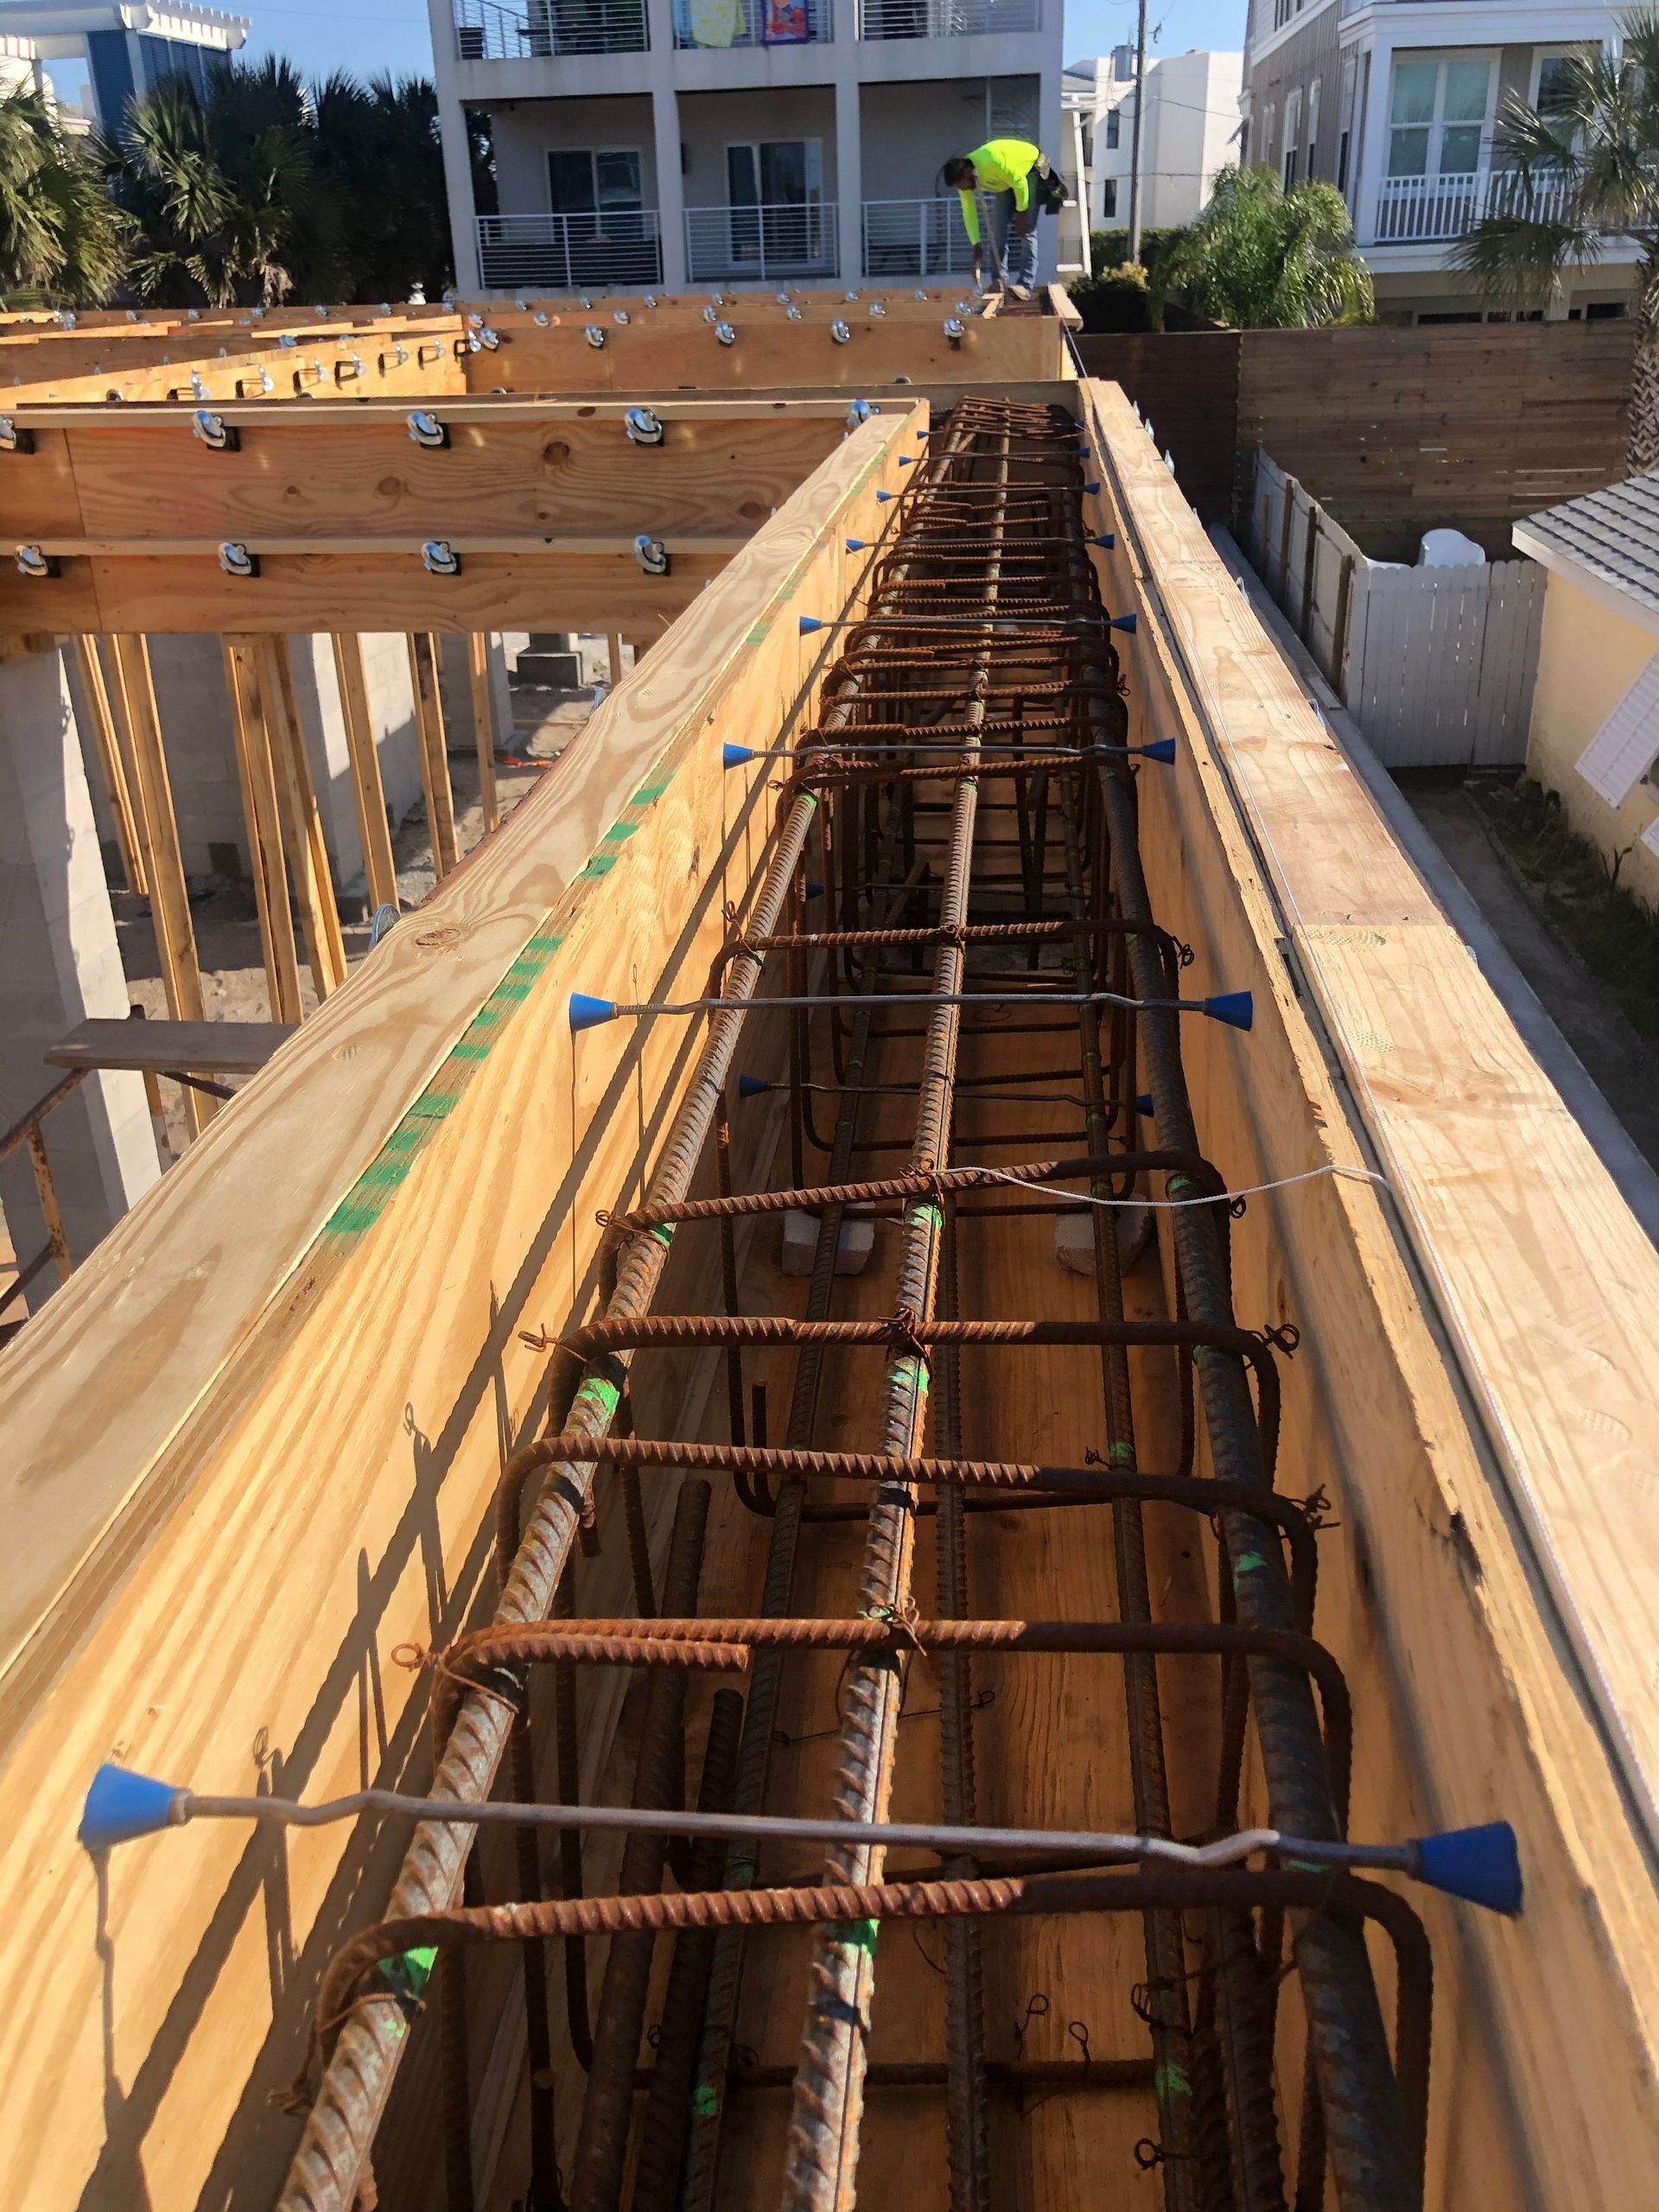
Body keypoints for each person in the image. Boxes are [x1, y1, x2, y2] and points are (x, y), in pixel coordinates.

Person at [941, 138, 1061, 300]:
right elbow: (968, 211)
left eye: (960, 185)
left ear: (967, 174)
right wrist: (975, 243)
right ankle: (998, 281)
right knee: (997, 231)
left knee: (1026, 230)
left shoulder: (992, 162)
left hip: (1030, 169)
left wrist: (1021, 213)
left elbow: (1020, 183)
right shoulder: (966, 180)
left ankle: (1025, 285)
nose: (962, 190)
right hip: (1004, 182)